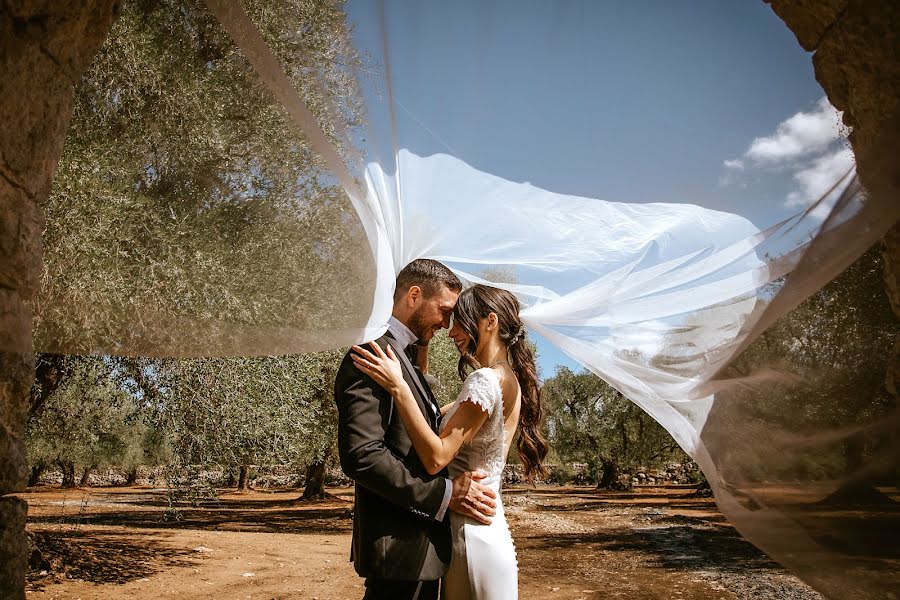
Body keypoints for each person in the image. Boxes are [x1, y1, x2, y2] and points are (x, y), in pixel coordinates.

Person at [352, 283, 548, 600]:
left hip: (471, 533)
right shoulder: (506, 377)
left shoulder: (485, 380)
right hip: (482, 526)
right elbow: (431, 412)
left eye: (459, 319)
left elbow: (436, 456)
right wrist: (418, 351)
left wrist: (399, 387)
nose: (451, 330)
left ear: (490, 321)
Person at [334, 260, 500, 600]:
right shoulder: (371, 356)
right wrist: (445, 494)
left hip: (419, 551)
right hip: (398, 549)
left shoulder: (403, 358)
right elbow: (363, 456)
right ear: (413, 295)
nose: (447, 322)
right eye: (443, 310)